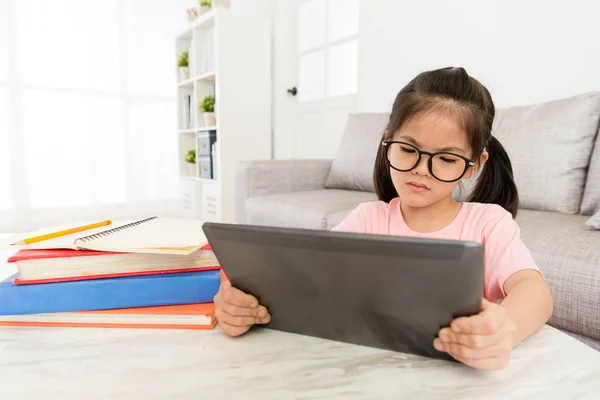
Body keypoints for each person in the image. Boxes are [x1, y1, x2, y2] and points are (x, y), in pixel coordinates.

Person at [213, 67, 553, 371]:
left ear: (475, 163)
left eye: (446, 159)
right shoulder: (368, 218)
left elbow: (534, 291)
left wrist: (503, 329)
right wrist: (241, 303)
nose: (421, 169)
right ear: (386, 140)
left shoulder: (488, 222)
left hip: (456, 375)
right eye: (407, 150)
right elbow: (307, 277)